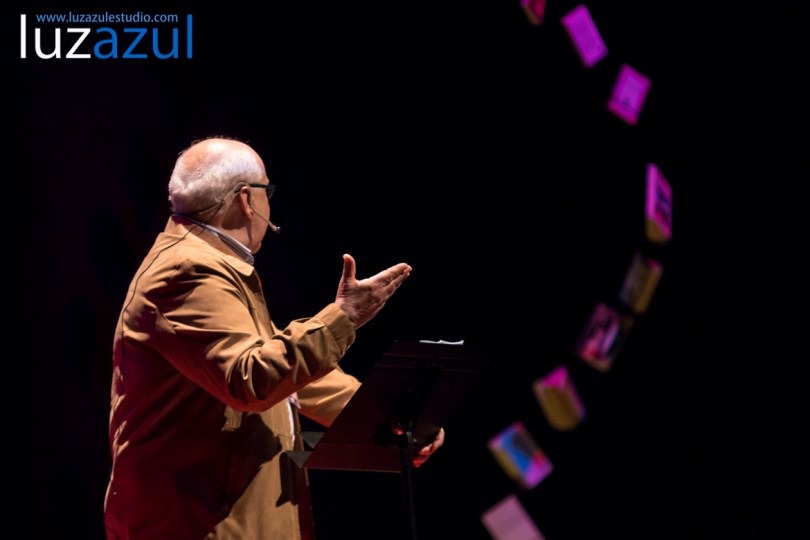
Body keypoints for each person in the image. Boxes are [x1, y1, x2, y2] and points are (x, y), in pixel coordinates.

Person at [104, 136, 445, 539]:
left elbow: (283, 378)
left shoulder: (212, 263)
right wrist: (344, 317)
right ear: (247, 199)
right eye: (269, 190)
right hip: (200, 524)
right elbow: (253, 378)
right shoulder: (187, 271)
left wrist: (386, 415)